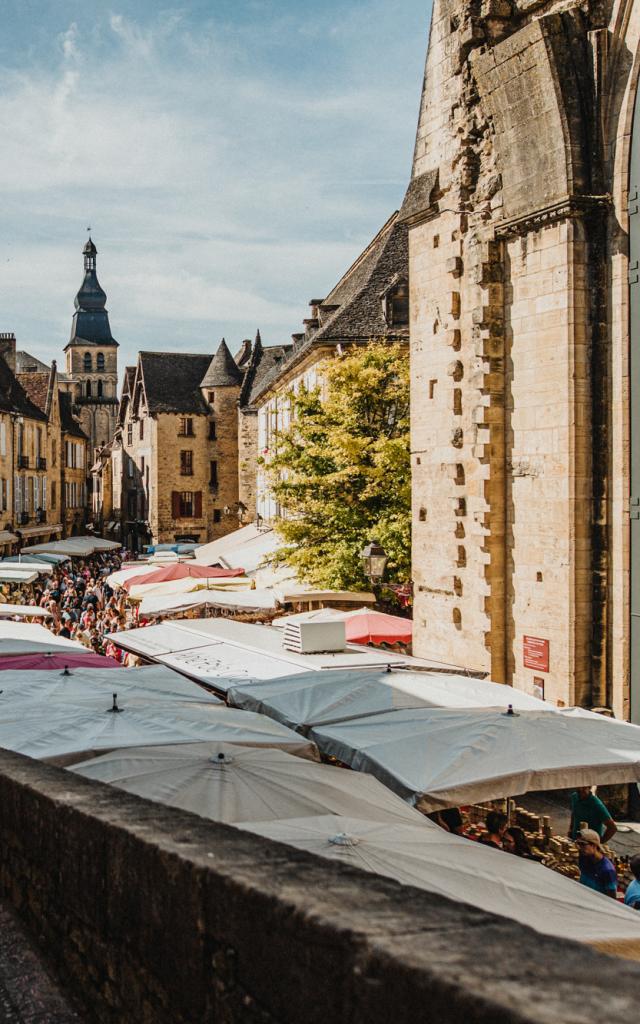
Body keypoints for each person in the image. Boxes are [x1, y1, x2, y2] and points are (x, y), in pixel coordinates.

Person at [575, 828, 618, 898]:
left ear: (594, 845)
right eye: (578, 843)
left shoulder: (607, 870)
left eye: (583, 844)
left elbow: (612, 899)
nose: (580, 847)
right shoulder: (583, 857)